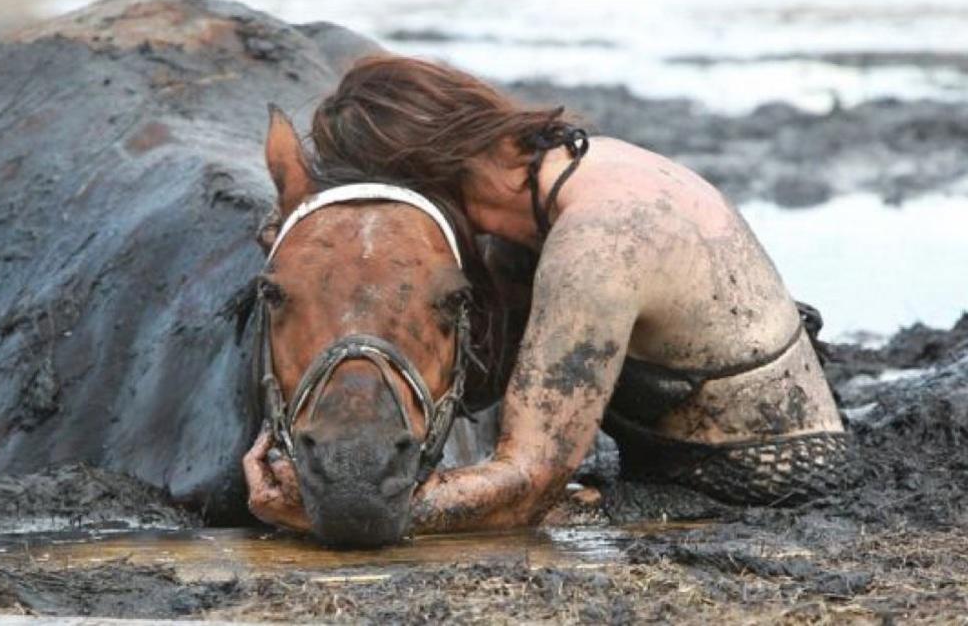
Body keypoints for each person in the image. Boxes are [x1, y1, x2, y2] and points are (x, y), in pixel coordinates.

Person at [244, 56, 850, 534]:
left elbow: (528, 484)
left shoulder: (598, 243)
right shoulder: (568, 183)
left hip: (753, 488)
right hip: (698, 462)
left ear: (423, 175)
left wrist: (336, 507)